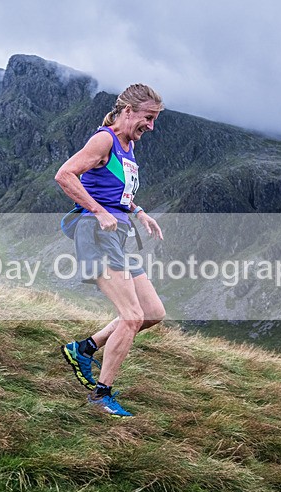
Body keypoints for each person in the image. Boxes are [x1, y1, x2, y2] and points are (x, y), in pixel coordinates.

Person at [54, 83, 166, 417]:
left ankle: (84, 348)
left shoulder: (128, 147)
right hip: (96, 234)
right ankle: (101, 397)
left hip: (117, 236)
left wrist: (138, 212)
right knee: (132, 316)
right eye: (148, 117)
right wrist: (99, 212)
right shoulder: (105, 139)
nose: (151, 126)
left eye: (154, 119)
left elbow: (115, 191)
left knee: (152, 312)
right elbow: (65, 175)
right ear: (128, 111)